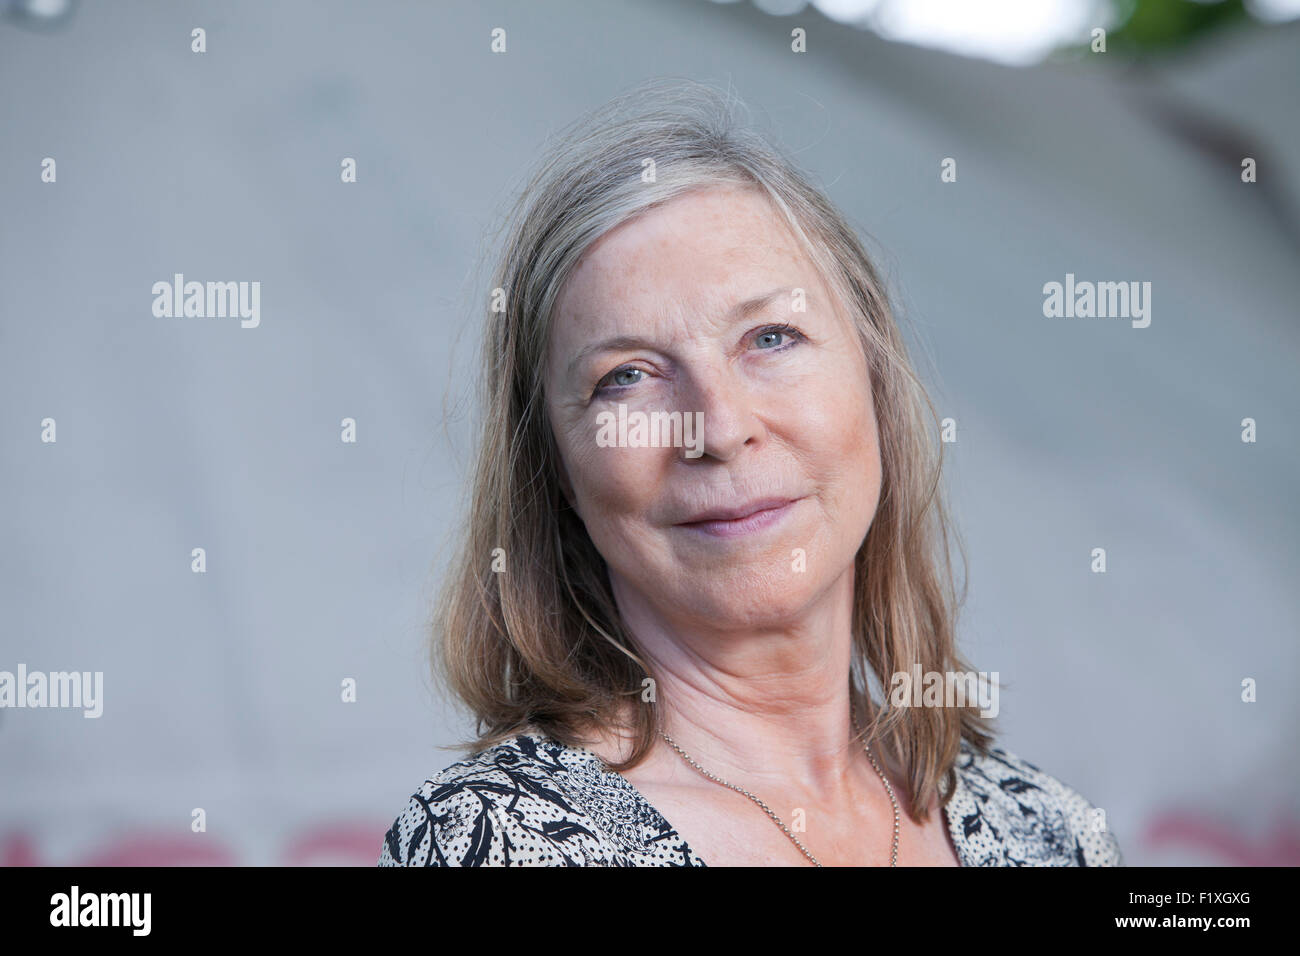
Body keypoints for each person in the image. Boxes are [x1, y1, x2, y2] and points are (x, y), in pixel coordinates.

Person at [378, 79, 1123, 867]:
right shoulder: (495, 844)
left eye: (770, 338)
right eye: (627, 375)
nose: (722, 429)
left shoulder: (1052, 833)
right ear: (556, 468)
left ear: (876, 382)